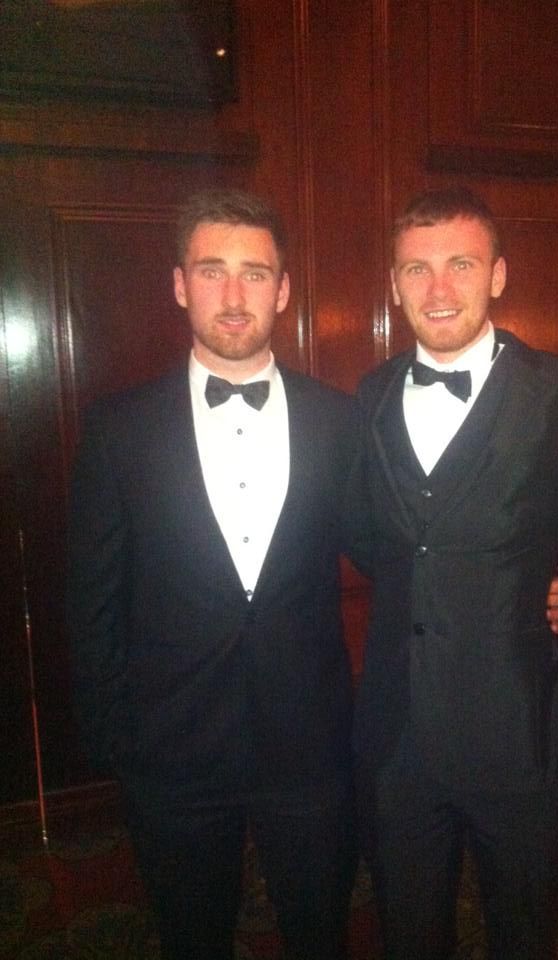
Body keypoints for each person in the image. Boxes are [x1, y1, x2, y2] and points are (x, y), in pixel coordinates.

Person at [345, 186, 558, 960]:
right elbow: (376, 545)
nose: (438, 288)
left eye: (461, 264)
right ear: (394, 284)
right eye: (416, 268)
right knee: (409, 937)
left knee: (523, 935)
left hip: (522, 734)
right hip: (397, 737)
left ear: (498, 275)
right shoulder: (372, 395)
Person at [66, 188, 358, 960]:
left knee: (320, 935)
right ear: (179, 284)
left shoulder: (339, 421)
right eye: (211, 271)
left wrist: (519, 584)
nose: (233, 296)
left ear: (283, 289)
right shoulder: (117, 431)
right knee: (191, 939)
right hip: (172, 754)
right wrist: (116, 742)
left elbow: (394, 547)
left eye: (254, 274)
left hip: (309, 746)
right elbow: (92, 598)